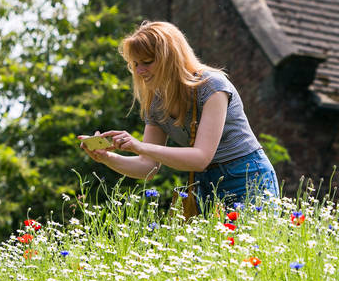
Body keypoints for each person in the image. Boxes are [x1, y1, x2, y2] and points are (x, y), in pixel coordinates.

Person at [80, 20, 279, 210]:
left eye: (147, 62)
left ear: (170, 58)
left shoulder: (212, 87)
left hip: (247, 178)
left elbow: (200, 158)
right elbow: (147, 167)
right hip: (206, 186)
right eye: (135, 64)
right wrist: (106, 157)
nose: (139, 71)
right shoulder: (156, 102)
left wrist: (139, 146)